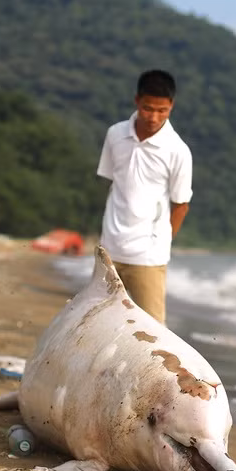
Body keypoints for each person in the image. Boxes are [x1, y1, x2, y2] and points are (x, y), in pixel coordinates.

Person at [97, 70, 193, 324]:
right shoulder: (115, 134)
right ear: (137, 101)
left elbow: (181, 205)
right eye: (148, 108)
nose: (154, 117)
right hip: (109, 250)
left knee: (151, 331)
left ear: (171, 106)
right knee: (98, 322)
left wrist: (160, 242)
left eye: (162, 110)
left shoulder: (178, 150)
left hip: (148, 258)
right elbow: (114, 184)